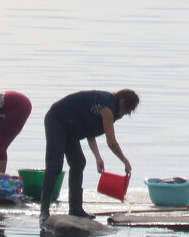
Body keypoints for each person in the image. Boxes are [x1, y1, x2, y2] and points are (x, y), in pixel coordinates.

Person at [40, 89, 138, 220]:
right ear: (122, 102)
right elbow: (111, 142)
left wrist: (98, 157)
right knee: (55, 165)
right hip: (57, 120)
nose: (125, 114)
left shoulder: (108, 109)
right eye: (126, 110)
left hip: (71, 127)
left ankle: (75, 209)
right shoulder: (107, 108)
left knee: (78, 163)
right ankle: (44, 210)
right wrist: (125, 161)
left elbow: (90, 130)